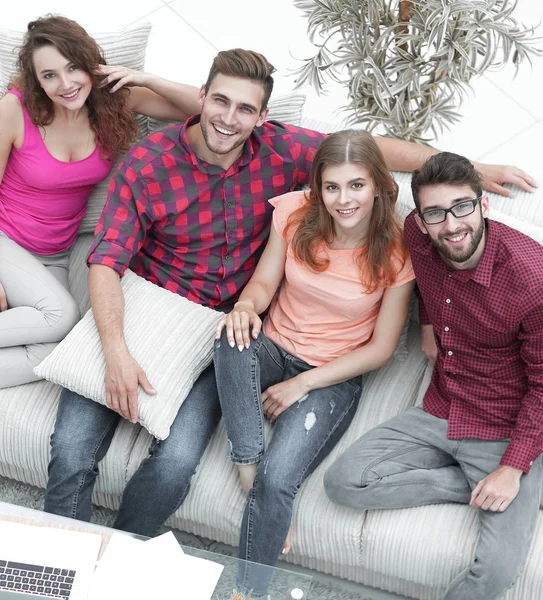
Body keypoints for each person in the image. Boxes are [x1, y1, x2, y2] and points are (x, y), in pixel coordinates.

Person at [44, 46, 537, 546]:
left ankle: (120, 559)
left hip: (215, 325)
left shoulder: (287, 153)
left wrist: (468, 168)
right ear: (200, 99)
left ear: (262, 118)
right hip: (142, 307)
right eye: (220, 102)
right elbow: (105, 259)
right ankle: (61, 563)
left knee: (174, 465)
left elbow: (366, 150)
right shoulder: (152, 161)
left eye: (245, 110)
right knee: (70, 451)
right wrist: (115, 352)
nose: (229, 120)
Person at [324, 152, 543, 600]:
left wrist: (512, 468)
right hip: (441, 406)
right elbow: (426, 280)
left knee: (495, 575)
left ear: (483, 206)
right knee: (342, 483)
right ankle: (471, 483)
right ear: (421, 221)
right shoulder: (417, 238)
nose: (452, 224)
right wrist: (428, 323)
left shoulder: (533, 280)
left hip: (503, 429)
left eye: (462, 206)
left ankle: (512, 481)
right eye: (436, 214)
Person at [213, 129, 415, 596]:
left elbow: (381, 350)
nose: (343, 199)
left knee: (279, 480)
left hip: (331, 378)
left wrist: (302, 385)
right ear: (318, 188)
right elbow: (263, 284)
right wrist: (246, 307)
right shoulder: (295, 214)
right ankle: (248, 467)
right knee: (229, 335)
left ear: (379, 186)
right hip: (272, 347)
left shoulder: (396, 249)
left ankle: (248, 592)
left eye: (356, 185)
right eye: (332, 187)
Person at [0, 15, 199, 388]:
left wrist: (147, 79)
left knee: (53, 350)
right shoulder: (14, 110)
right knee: (60, 315)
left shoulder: (113, 100)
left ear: (89, 61)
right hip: (4, 241)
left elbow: (207, 109)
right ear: (36, 81)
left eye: (73, 67)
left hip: (52, 254)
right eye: (50, 76)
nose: (66, 84)